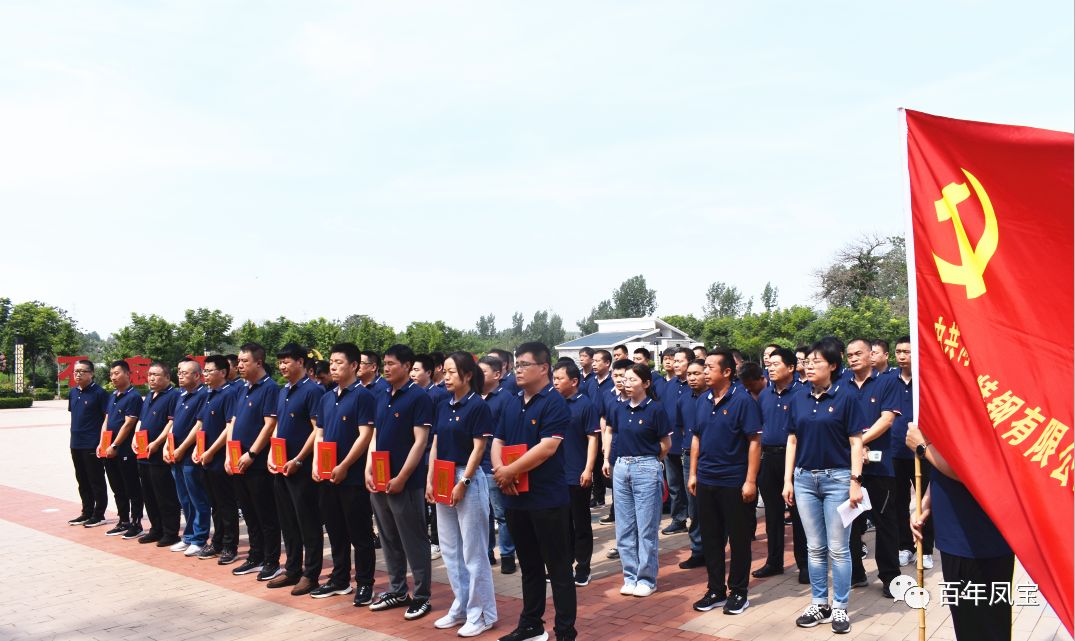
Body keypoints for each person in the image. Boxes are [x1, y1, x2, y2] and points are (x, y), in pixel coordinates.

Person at [492, 341, 576, 641]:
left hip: (546, 498)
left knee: (559, 569)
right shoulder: (511, 402)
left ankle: (565, 631)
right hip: (515, 496)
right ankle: (531, 624)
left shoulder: (554, 402)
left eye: (524, 364)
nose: (518, 370)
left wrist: (509, 471)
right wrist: (501, 472)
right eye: (517, 365)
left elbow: (548, 447)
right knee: (529, 566)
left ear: (544, 368)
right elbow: (498, 440)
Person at [783, 340, 866, 635]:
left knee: (839, 549)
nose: (809, 365)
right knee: (815, 547)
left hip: (838, 480)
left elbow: (856, 443)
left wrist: (855, 482)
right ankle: (820, 604)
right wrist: (788, 480)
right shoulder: (798, 398)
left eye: (816, 361)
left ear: (832, 365)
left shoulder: (846, 397)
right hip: (804, 480)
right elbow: (792, 440)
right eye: (807, 361)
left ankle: (840, 606)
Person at [906, 423, 1014, 641]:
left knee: (983, 629)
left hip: (976, 539)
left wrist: (922, 447)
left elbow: (971, 468)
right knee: (970, 625)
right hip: (957, 536)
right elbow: (946, 457)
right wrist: (927, 501)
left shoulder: (982, 411)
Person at [427, 352, 498, 637]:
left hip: (466, 478)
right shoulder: (442, 405)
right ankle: (461, 606)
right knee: (451, 550)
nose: (446, 377)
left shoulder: (478, 406)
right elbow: (435, 445)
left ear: (468, 375)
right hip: (443, 476)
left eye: (451, 372)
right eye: (444, 372)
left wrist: (464, 482)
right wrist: (430, 480)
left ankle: (482, 614)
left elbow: (479, 449)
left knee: (474, 551)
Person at [688, 349, 762, 615]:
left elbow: (754, 442)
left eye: (710, 367)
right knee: (711, 538)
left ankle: (739, 591)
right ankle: (716, 590)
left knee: (739, 539)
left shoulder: (743, 401)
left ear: (727, 372)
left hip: (733, 480)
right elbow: (696, 438)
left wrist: (750, 481)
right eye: (704, 367)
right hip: (706, 479)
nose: (704, 372)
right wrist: (693, 474)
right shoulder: (702, 400)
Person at [365, 344, 434, 620]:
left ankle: (422, 596)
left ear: (407, 366)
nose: (386, 368)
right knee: (388, 537)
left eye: (391, 363)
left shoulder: (418, 397)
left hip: (406, 482)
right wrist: (369, 469)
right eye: (385, 363)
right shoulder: (381, 394)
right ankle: (397, 590)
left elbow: (420, 442)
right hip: (380, 480)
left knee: (414, 539)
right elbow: (375, 435)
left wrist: (402, 477)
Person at [310, 342, 378, 604]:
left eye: (339, 362)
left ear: (354, 366)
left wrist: (345, 465)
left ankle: (365, 583)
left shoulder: (363, 396)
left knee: (359, 533)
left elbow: (365, 436)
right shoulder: (326, 397)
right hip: (327, 476)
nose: (333, 367)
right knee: (336, 531)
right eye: (331, 362)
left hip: (353, 478)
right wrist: (316, 463)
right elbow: (320, 433)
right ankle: (339, 580)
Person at [605, 362, 672, 597]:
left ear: (646, 384)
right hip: (621, 467)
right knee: (624, 527)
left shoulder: (656, 410)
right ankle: (630, 576)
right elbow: (613, 436)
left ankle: (646, 579)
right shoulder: (618, 408)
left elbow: (665, 444)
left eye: (633, 380)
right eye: (625, 379)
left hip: (646, 467)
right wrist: (609, 461)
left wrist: (650, 463)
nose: (627, 383)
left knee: (646, 528)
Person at [844, 338, 902, 595]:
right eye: (850, 355)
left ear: (872, 355)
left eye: (859, 353)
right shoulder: (841, 383)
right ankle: (856, 573)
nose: (854, 358)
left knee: (885, 520)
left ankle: (890, 577)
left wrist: (859, 443)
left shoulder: (887, 382)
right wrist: (856, 449)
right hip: (848, 466)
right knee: (850, 522)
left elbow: (887, 420)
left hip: (879, 465)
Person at [267, 343, 325, 594]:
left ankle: (311, 574)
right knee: (288, 521)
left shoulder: (313, 391)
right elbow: (278, 427)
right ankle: (292, 569)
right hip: (282, 467)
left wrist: (299, 459)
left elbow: (317, 430)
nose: (282, 366)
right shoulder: (283, 391)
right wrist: (272, 453)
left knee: (307, 522)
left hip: (301, 468)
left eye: (287, 361)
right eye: (280, 362)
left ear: (301, 362)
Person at [227, 342, 283, 580]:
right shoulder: (242, 388)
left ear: (259, 363)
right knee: (249, 514)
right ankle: (255, 556)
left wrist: (251, 454)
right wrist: (230, 455)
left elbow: (270, 425)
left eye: (244, 361)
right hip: (238, 462)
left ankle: (272, 561)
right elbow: (233, 421)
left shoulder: (270, 388)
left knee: (265, 514)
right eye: (239, 361)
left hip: (257, 464)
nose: (239, 365)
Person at [752, 348, 808, 583]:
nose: (770, 368)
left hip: (793, 458)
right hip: (768, 458)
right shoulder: (765, 394)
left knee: (799, 514)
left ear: (791, 368)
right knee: (772, 514)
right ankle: (774, 562)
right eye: (769, 365)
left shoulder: (803, 393)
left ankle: (805, 564)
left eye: (776, 364)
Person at [551, 360, 601, 587]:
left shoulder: (585, 405)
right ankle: (563, 567)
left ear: (574, 381)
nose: (555, 382)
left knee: (580, 524)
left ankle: (583, 568)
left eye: (559, 379)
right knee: (561, 526)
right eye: (554, 378)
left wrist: (588, 469)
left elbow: (593, 439)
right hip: (555, 475)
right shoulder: (553, 404)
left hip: (577, 473)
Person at [890, 337, 934, 569]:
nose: (901, 356)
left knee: (925, 501)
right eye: (898, 351)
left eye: (906, 351)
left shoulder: (926, 380)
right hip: (896, 450)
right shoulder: (889, 380)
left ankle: (925, 549)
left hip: (923, 451)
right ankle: (905, 546)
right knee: (899, 501)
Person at [194, 355, 240, 564]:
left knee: (226, 505)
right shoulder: (209, 394)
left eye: (209, 371)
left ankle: (230, 546)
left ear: (223, 372)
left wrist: (212, 451)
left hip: (220, 459)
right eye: (204, 371)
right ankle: (218, 542)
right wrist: (198, 448)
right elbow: (202, 425)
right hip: (206, 459)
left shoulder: (229, 393)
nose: (205, 374)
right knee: (215, 505)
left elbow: (229, 427)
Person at [163, 358, 210, 557]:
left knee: (197, 498)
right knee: (184, 499)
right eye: (179, 373)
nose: (180, 376)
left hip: (190, 455)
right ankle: (189, 536)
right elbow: (174, 423)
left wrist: (182, 448)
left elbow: (199, 425)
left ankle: (199, 539)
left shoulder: (203, 395)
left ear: (197, 375)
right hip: (176, 455)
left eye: (185, 373)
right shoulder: (181, 395)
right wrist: (167, 445)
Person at [134, 361, 181, 548]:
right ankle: (156, 529)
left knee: (165, 495)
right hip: (144, 454)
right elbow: (141, 420)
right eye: (149, 375)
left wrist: (157, 443)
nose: (151, 378)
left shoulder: (173, 396)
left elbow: (171, 423)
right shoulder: (149, 396)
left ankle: (170, 532)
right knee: (149, 495)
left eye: (156, 375)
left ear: (168, 377)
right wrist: (135, 437)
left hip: (159, 455)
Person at [478, 355, 516, 574]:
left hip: (495, 465)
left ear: (497, 374)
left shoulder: (506, 398)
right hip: (475, 466)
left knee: (501, 513)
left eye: (483, 371)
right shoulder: (473, 397)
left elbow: (510, 434)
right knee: (483, 514)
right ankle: (487, 553)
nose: (478, 375)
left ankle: (508, 555)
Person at [101, 360, 145, 538]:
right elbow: (106, 420)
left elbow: (128, 424)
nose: (113, 377)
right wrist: (103, 443)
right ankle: (123, 521)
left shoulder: (133, 397)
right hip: (109, 451)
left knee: (132, 488)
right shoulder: (113, 395)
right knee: (117, 488)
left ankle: (136, 523)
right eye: (111, 374)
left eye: (117, 373)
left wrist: (114, 445)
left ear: (128, 374)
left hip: (125, 451)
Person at [413, 353, 449, 560]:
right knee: (421, 503)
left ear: (429, 372)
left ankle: (437, 542)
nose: (412, 374)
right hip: (417, 456)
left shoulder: (436, 395)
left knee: (434, 501)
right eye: (411, 370)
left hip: (430, 455)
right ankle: (425, 540)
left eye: (416, 370)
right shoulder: (415, 394)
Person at [68, 360, 110, 529]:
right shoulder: (72, 392)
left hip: (92, 444)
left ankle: (99, 514)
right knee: (82, 479)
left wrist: (103, 443)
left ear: (91, 373)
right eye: (75, 371)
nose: (78, 374)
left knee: (96, 479)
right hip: (76, 443)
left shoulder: (99, 393)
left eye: (82, 371)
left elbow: (106, 418)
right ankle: (86, 511)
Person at [656, 347, 693, 535]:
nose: (675, 364)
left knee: (690, 486)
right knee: (674, 486)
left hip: (690, 445)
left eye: (680, 361)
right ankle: (678, 519)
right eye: (674, 361)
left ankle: (696, 521)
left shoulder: (697, 386)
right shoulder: (668, 385)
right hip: (671, 444)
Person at [676, 358, 707, 569]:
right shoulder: (683, 400)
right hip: (689, 458)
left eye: (697, 373)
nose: (692, 378)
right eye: (689, 374)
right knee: (694, 507)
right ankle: (698, 551)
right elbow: (683, 428)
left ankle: (715, 548)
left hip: (712, 458)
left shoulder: (714, 398)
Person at [598, 359, 632, 533]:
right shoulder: (610, 399)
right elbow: (607, 426)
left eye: (622, 376)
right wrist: (606, 450)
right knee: (618, 491)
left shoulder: (643, 403)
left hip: (636, 458)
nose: (619, 379)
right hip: (615, 452)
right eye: (616, 375)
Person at [585, 349, 614, 509]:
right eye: (593, 361)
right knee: (594, 464)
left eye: (597, 361)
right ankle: (598, 497)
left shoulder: (613, 382)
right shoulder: (590, 382)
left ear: (607, 363)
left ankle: (615, 502)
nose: (593, 364)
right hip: (592, 429)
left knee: (608, 464)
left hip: (608, 430)